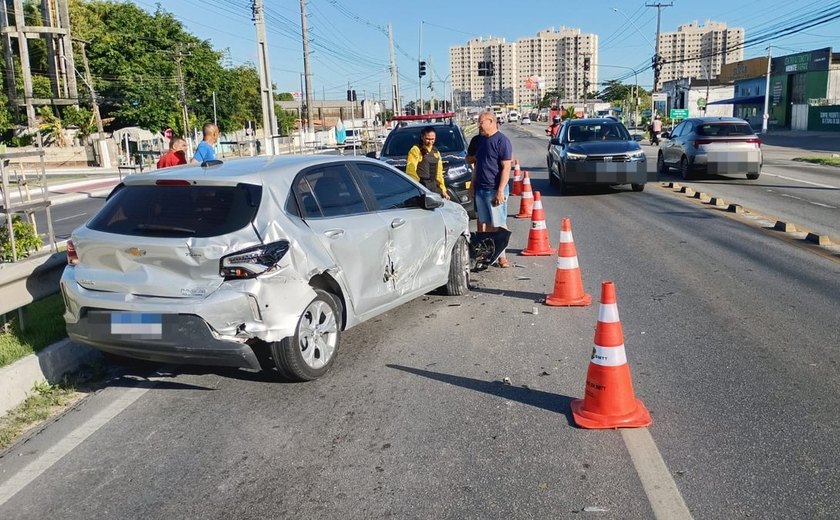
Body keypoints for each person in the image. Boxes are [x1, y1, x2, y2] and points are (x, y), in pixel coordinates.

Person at [469, 110, 513, 268]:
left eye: (481, 122)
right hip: (481, 189)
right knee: (486, 224)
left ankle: (503, 257)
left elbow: (506, 167)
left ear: (491, 122)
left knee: (499, 223)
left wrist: (501, 190)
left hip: (495, 189)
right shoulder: (480, 141)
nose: (479, 125)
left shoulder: (502, 141)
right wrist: (472, 186)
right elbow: (477, 166)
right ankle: (490, 255)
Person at [405, 126, 450, 199]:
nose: (430, 142)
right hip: (421, 187)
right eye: (427, 139)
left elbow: (439, 174)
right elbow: (411, 170)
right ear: (422, 137)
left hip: (433, 187)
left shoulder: (436, 152)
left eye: (433, 139)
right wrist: (415, 187)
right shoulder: (416, 150)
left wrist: (443, 190)